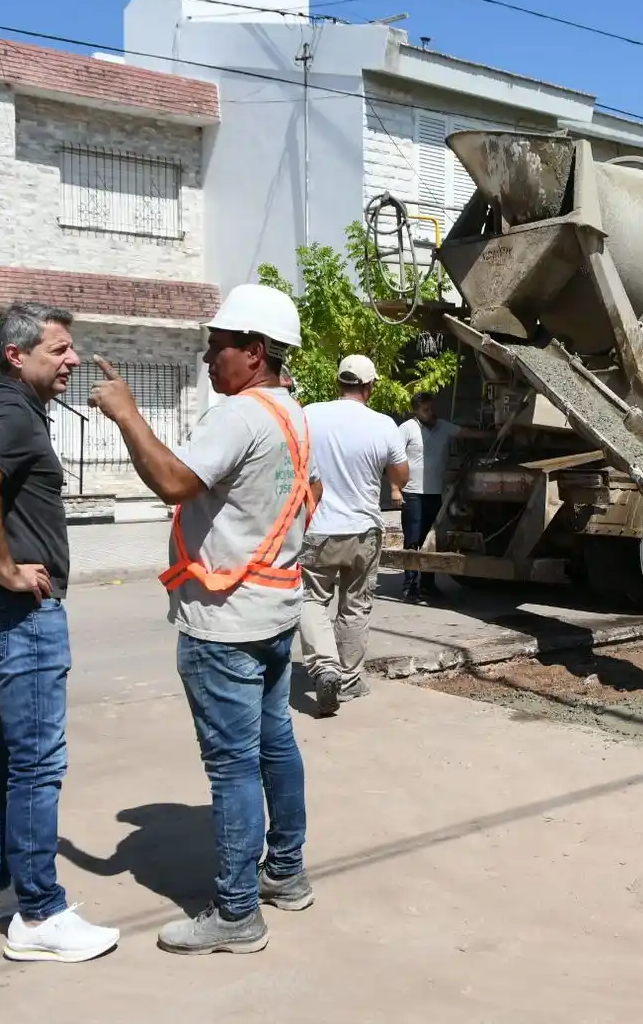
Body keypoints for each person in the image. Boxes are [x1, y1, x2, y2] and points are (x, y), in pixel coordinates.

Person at [88, 283, 315, 955]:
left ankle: (237, 913)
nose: (207, 358)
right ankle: (287, 872)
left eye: (216, 347)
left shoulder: (240, 416)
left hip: (225, 622)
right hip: (272, 613)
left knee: (233, 768)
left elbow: (173, 482)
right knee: (274, 746)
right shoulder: (291, 411)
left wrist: (129, 415)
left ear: (252, 352)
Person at [0, 302, 120, 964]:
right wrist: (8, 566)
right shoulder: (11, 412)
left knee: (1, 753)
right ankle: (38, 913)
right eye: (60, 349)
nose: (72, 360)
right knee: (36, 764)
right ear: (18, 355)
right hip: (16, 612)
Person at [298, 355, 410, 716]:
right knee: (355, 605)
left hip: (318, 529)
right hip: (363, 530)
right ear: (370, 386)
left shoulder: (309, 414)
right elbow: (401, 476)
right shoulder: (383, 425)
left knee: (312, 601)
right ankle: (348, 680)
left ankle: (324, 667)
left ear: (338, 383)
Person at [397, 390, 490, 601]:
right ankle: (409, 587)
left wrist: (495, 434)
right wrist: (395, 488)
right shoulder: (407, 429)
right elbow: (394, 458)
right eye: (426, 410)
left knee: (431, 541)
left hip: (434, 494)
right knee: (413, 541)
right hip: (413, 494)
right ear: (416, 411)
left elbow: (467, 434)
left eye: (433, 408)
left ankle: (428, 585)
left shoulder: (443, 427)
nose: (431, 413)